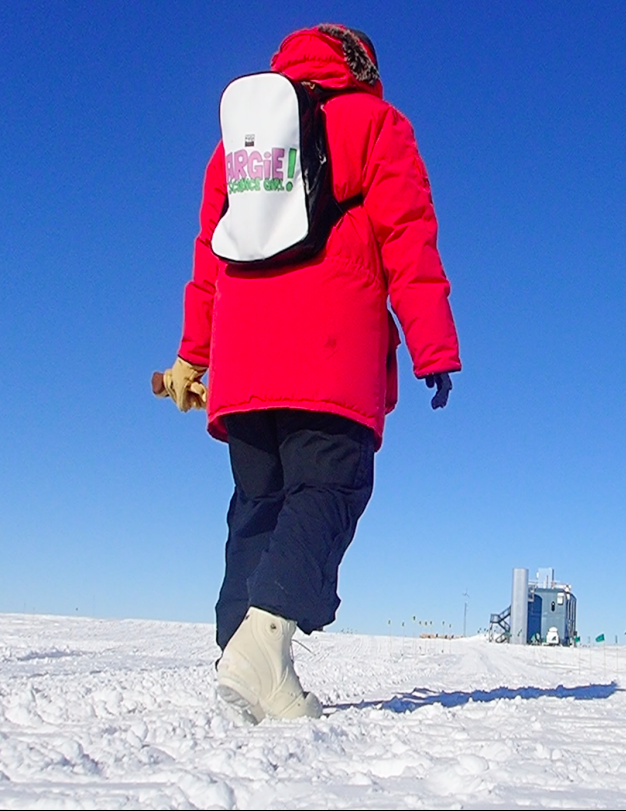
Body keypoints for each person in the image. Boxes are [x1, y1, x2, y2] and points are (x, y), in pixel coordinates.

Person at [158, 23, 461, 723]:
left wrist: (192, 354)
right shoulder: (374, 122)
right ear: (362, 66)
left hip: (241, 364)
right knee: (329, 487)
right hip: (328, 352)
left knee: (259, 505)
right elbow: (407, 233)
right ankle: (255, 653)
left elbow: (209, 259)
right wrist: (434, 345)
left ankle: (258, 669)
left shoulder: (236, 146)